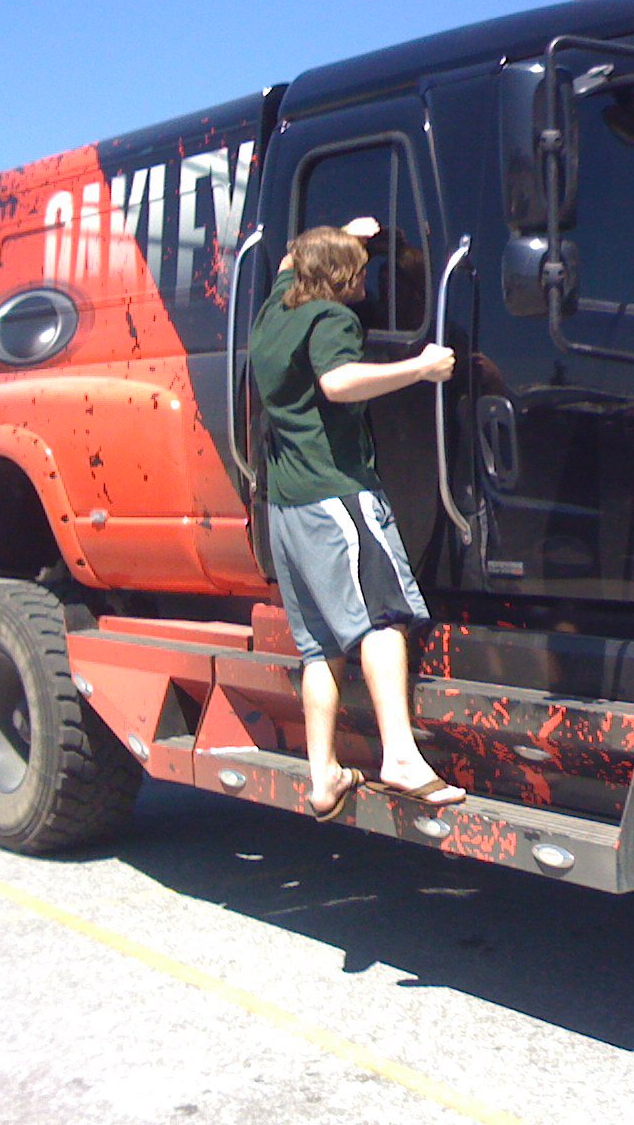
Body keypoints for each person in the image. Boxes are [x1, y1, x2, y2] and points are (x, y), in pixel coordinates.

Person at [248, 217, 463, 820]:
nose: (367, 277)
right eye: (360, 269)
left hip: (285, 507)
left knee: (319, 647)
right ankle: (399, 755)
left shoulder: (272, 315)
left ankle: (322, 779)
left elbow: (294, 261)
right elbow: (339, 383)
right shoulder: (332, 319)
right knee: (383, 619)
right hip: (336, 497)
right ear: (339, 278)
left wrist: (344, 233)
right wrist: (421, 368)